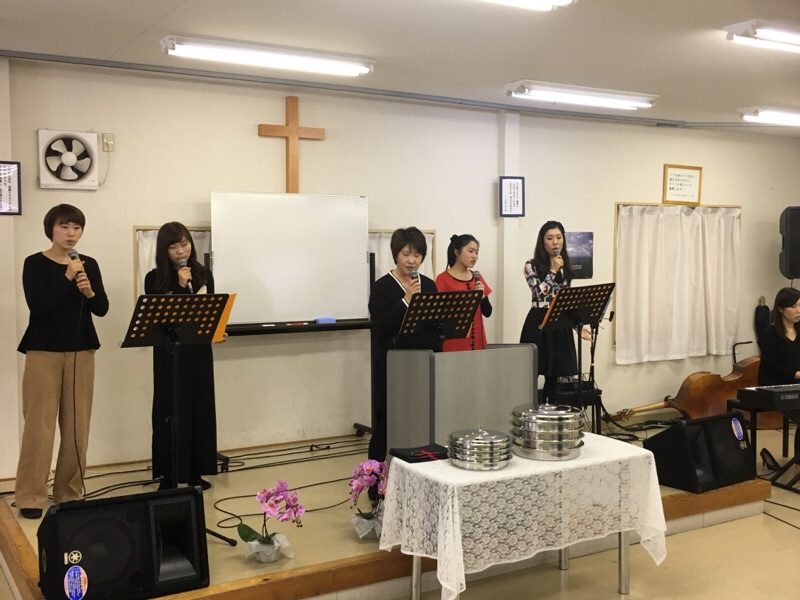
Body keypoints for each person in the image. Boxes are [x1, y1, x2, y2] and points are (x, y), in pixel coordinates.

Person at [14, 204, 109, 519]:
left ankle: (69, 492)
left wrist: (89, 291)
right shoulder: (35, 263)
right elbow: (38, 306)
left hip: (82, 351)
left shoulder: (88, 264)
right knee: (39, 427)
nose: (71, 233)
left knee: (77, 427)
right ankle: (30, 496)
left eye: (76, 227)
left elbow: (102, 308)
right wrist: (67, 276)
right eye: (64, 227)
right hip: (43, 352)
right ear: (51, 229)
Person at [144, 222, 219, 490]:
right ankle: (169, 474)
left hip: (198, 351)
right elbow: (159, 318)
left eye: (184, 244)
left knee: (199, 407)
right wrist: (178, 285)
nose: (180, 251)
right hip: (169, 353)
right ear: (164, 250)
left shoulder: (203, 274)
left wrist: (217, 328)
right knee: (170, 409)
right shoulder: (154, 278)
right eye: (173, 247)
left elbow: (211, 309)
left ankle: (196, 471)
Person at [368, 227, 439, 466]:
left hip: (422, 362)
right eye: (406, 254)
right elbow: (380, 328)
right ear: (396, 254)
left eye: (417, 255)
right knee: (386, 419)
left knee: (421, 417)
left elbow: (436, 326)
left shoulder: (428, 285)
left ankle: (418, 467)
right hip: (392, 364)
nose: (412, 260)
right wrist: (405, 301)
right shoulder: (382, 287)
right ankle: (374, 476)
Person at [520, 220, 589, 403]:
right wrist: (552, 270)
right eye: (550, 238)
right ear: (542, 241)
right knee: (532, 370)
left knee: (555, 373)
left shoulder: (565, 267)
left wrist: (577, 326)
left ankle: (550, 409)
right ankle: (530, 410)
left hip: (559, 321)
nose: (555, 242)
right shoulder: (531, 265)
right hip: (539, 321)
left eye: (559, 237)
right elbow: (538, 293)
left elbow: (565, 300)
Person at [757, 286, 800, 459]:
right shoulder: (770, 333)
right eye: (793, 306)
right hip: (774, 385)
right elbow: (772, 365)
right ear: (781, 309)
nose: (798, 311)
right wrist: (796, 374)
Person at [435, 234, 492, 351]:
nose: (474, 256)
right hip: (454, 342)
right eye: (470, 251)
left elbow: (487, 312)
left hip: (478, 342)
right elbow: (437, 316)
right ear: (457, 252)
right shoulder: (442, 279)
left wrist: (482, 296)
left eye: (476, 252)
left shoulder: (477, 277)